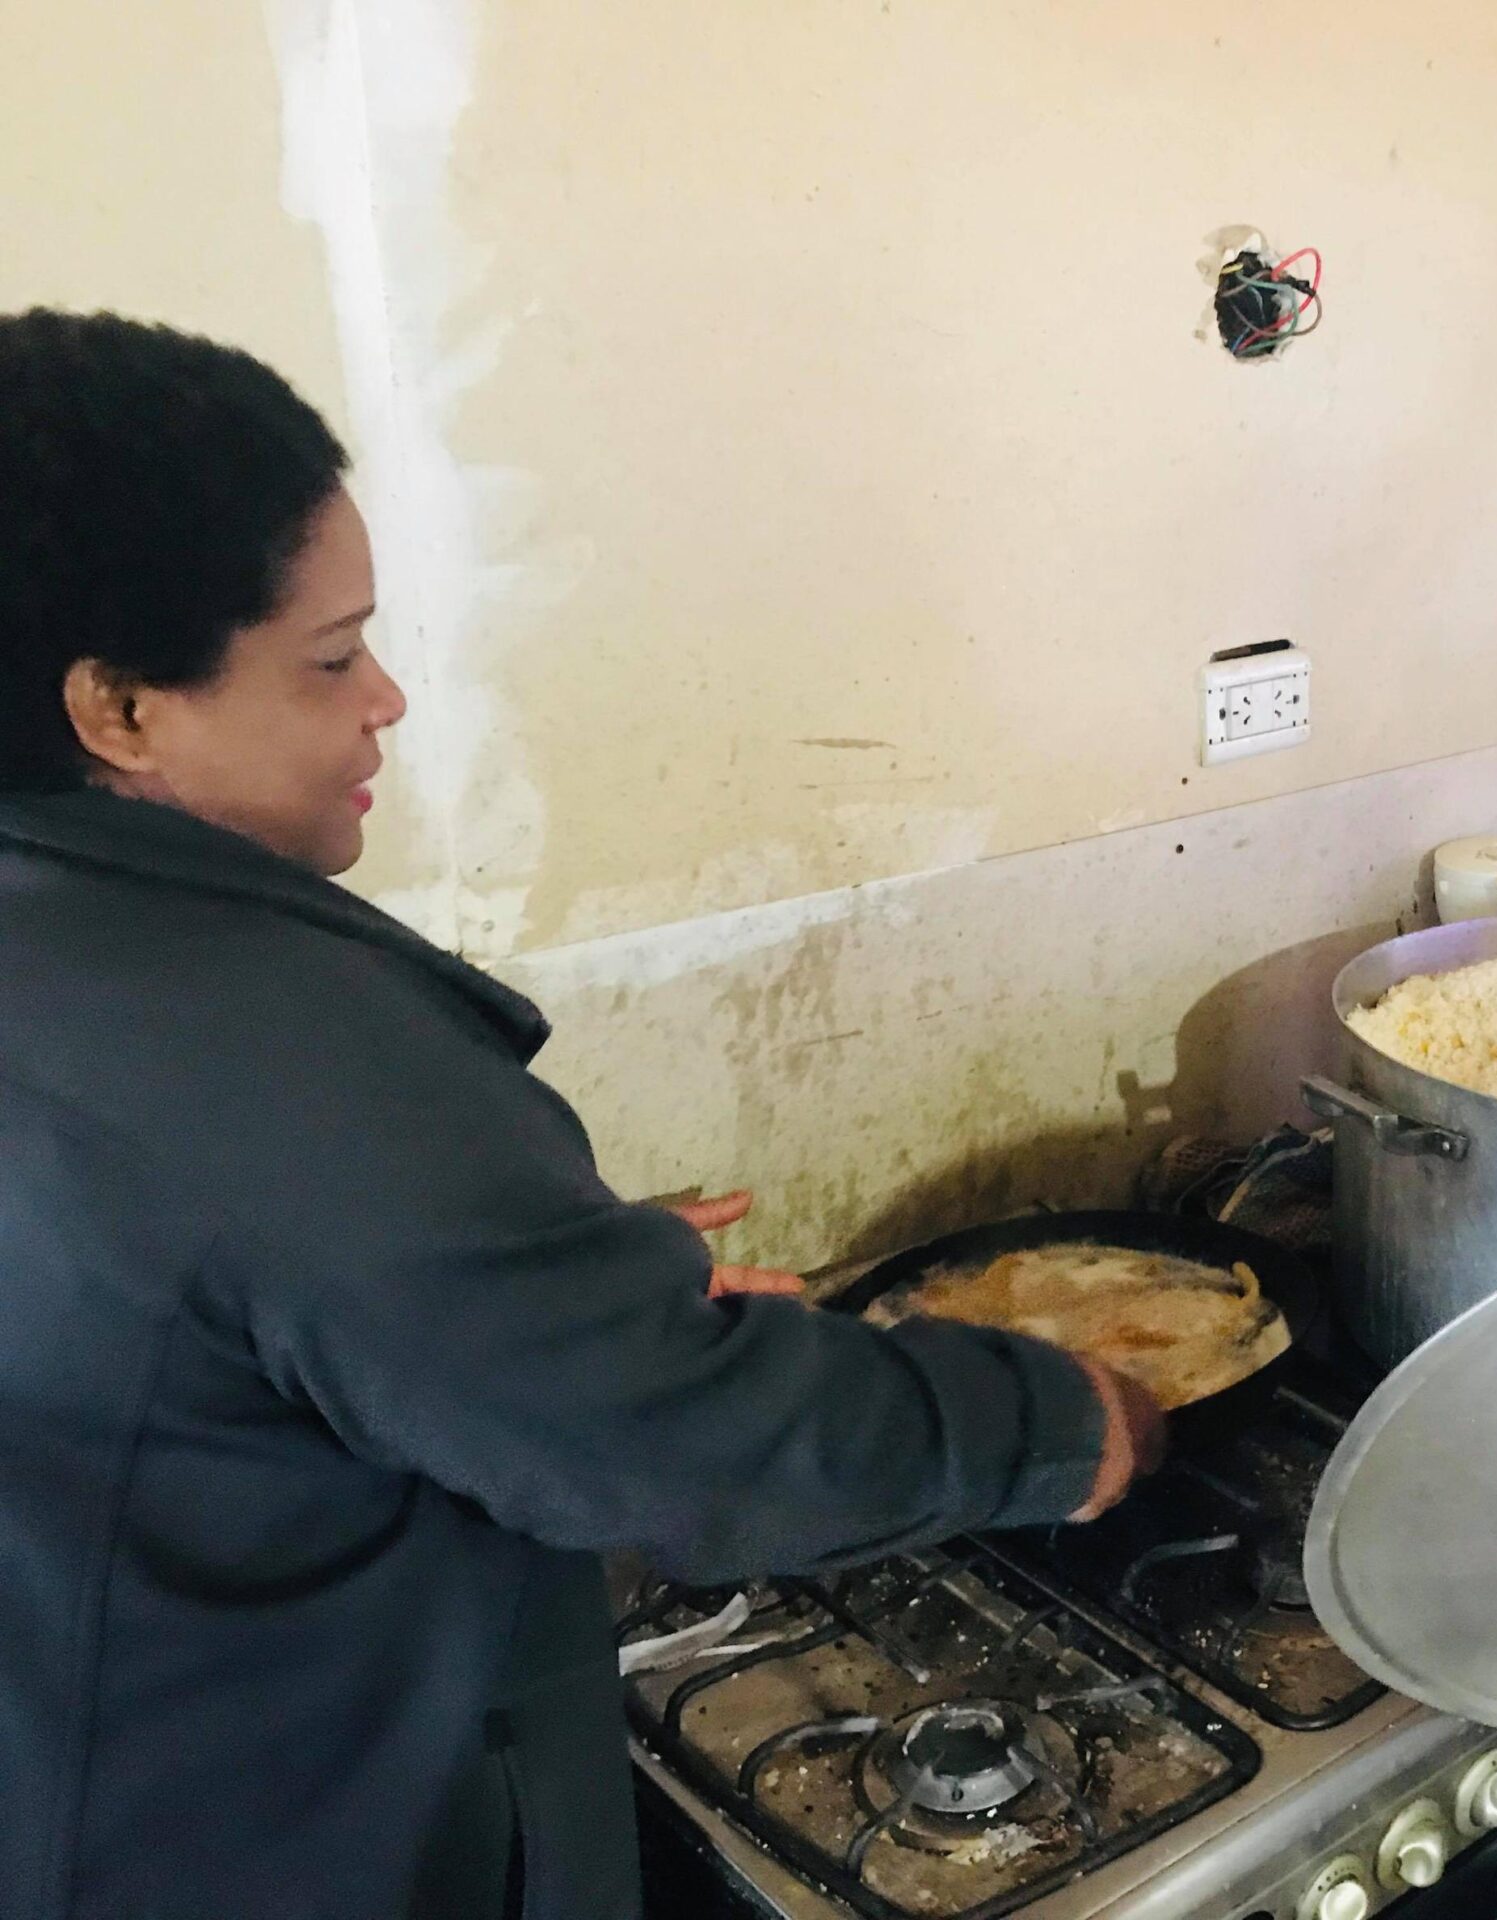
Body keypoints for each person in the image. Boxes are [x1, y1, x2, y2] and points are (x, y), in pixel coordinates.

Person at [0, 310, 1163, 1920]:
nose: (387, 700)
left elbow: (205, 1313)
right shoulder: (261, 1050)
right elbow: (663, 1440)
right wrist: (1067, 1426)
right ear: (120, 709)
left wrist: (523, 1272)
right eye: (330, 660)